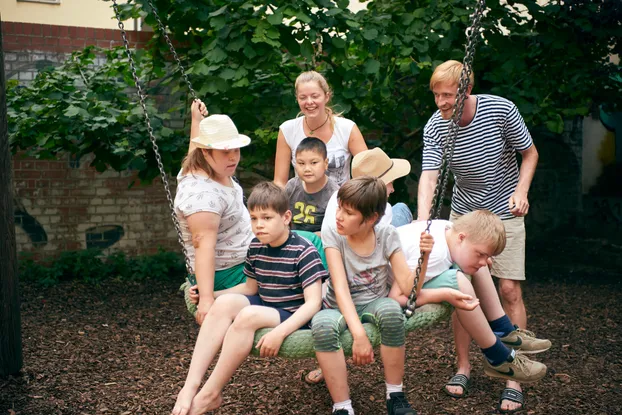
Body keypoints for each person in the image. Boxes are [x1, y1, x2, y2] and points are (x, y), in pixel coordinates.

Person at [417, 60, 540, 413]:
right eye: (436, 95)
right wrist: (424, 219)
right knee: (462, 289)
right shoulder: (435, 126)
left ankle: (513, 374)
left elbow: (529, 153)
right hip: (465, 215)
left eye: (448, 95)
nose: (440, 102)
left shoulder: (500, 109)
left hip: (506, 209)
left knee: (509, 290)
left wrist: (522, 190)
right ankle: (463, 367)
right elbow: (429, 175)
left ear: (466, 91)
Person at [311, 177, 479, 415]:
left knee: (391, 310)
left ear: (370, 219)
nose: (338, 216)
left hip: (373, 303)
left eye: (348, 212)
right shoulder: (333, 233)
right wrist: (359, 334)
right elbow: (339, 287)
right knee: (321, 325)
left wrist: (424, 257)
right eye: (339, 207)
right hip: (337, 305)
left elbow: (409, 286)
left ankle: (395, 395)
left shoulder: (387, 235)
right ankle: (342, 406)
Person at [171, 182, 326, 415]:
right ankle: (190, 385)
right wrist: (210, 294)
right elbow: (250, 288)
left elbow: (314, 303)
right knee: (224, 304)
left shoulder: (304, 250)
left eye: (266, 218)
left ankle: (211, 392)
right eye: (254, 218)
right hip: (267, 305)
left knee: (248, 315)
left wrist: (279, 333)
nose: (259, 225)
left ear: (285, 217)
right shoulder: (256, 246)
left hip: (295, 315)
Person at [395, 212, 549, 398]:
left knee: (476, 266)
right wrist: (443, 294)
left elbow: (473, 256)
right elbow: (398, 297)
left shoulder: (447, 229)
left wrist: (481, 258)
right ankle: (497, 357)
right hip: (381, 287)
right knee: (458, 281)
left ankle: (504, 331)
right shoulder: (436, 255)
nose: (486, 261)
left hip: (406, 275)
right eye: (481, 254)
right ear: (461, 238)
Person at [174, 99, 254, 325]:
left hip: (240, 262)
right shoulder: (202, 195)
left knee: (310, 241)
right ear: (206, 153)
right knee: (309, 250)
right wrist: (207, 300)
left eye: (236, 150)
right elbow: (202, 244)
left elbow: (195, 148)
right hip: (228, 274)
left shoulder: (202, 165)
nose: (233, 157)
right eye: (225, 151)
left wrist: (196, 121)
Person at [274, 71, 367, 188]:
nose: (309, 102)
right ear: (297, 99)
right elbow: (279, 182)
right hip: (302, 203)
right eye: (303, 97)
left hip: (342, 203)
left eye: (315, 96)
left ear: (326, 97)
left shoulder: (347, 128)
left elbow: (368, 174)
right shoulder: (287, 130)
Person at [321, 148, 413, 235]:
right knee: (401, 209)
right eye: (390, 182)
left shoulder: (336, 195)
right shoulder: (384, 208)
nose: (393, 189)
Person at [286, 137, 340, 233]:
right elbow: (280, 215)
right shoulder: (291, 186)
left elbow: (333, 230)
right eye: (301, 163)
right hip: (291, 239)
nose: (307, 168)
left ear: (326, 163)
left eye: (314, 163)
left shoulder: (334, 193)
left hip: (319, 242)